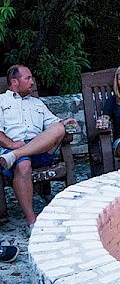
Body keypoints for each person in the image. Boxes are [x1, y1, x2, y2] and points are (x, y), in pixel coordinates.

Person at [0, 65, 76, 229]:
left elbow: (54, 125)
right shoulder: (2, 101)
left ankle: (17, 154)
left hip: (38, 148)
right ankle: (31, 221)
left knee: (59, 127)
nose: (32, 82)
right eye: (27, 78)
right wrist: (12, 145)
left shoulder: (37, 103)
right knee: (23, 164)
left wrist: (67, 123)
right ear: (14, 82)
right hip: (13, 146)